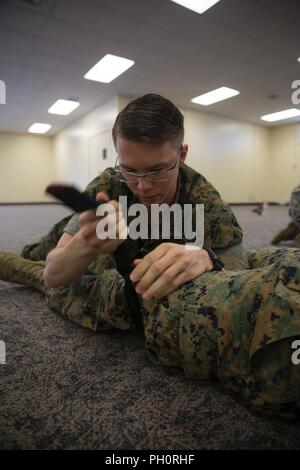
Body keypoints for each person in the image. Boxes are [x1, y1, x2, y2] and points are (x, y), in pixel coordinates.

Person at [1, 94, 299, 419]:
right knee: (41, 251)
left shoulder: (203, 198)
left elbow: (237, 266)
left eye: (158, 170)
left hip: (129, 264)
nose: (143, 187)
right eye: (130, 170)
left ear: (182, 155)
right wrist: (85, 243)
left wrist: (206, 258)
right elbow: (54, 276)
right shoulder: (108, 185)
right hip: (102, 249)